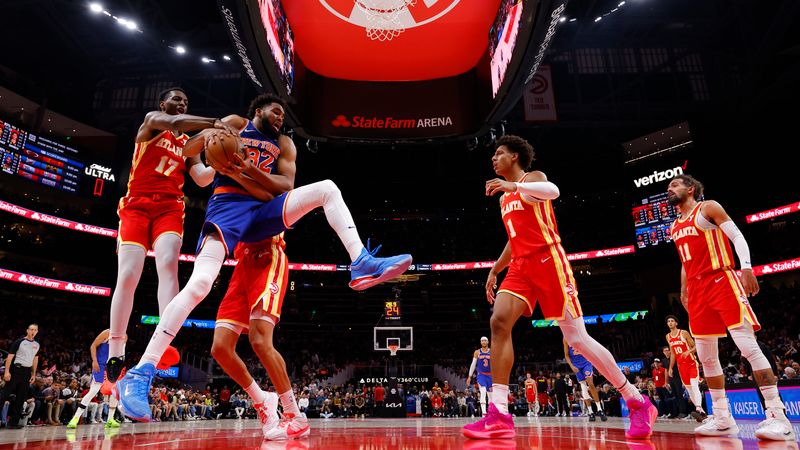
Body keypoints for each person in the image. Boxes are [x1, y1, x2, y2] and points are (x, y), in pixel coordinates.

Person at [118, 93, 412, 426]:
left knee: (327, 188)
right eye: (275, 111)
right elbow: (189, 149)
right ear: (258, 111)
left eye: (283, 114)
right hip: (227, 206)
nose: (280, 118)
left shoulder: (285, 144)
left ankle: (360, 261)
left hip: (261, 211)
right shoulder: (235, 124)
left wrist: (244, 169)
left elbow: (283, 186)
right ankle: (143, 371)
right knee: (200, 282)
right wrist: (212, 138)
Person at [462, 135, 657, 440]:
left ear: (515, 157)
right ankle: (499, 414)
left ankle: (636, 400)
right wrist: (494, 269)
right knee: (498, 321)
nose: (493, 158)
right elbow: (515, 241)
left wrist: (514, 186)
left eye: (499, 153)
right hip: (521, 268)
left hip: (548, 262)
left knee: (577, 339)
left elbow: (553, 191)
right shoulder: (503, 199)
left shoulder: (532, 179)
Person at [105, 87, 235, 381]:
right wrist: (214, 122)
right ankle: (116, 349)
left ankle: (163, 343)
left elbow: (201, 179)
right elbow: (175, 123)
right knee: (127, 275)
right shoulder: (151, 122)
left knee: (168, 267)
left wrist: (222, 161)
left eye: (186, 101)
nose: (181, 104)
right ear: (163, 103)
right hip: (136, 205)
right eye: (176, 99)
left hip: (169, 207)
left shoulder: (188, 144)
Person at [667, 174, 794, 440]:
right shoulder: (674, 226)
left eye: (675, 184)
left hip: (722, 279)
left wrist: (746, 268)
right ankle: (723, 418)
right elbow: (684, 260)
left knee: (747, 346)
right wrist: (684, 290)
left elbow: (736, 236)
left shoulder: (708, 207)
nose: (670, 188)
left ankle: (777, 416)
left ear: (690, 189)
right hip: (697, 289)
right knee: (707, 357)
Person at [210, 234, 297, 439]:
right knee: (220, 348)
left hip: (266, 255)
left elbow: (273, 203)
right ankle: (262, 400)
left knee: (260, 341)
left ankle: (293, 412)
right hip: (242, 265)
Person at [67, 330, 126, 429]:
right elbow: (93, 346)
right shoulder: (108, 332)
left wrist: (121, 368)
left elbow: (122, 354)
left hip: (114, 367)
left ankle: (110, 419)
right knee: (93, 391)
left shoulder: (125, 336)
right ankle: (75, 418)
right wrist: (94, 361)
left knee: (115, 393)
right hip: (101, 365)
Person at [664, 315, 706, 422]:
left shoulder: (683, 333)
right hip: (681, 366)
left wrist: (689, 351)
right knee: (689, 388)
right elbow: (673, 353)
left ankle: (699, 408)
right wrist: (670, 368)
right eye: (668, 321)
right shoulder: (668, 336)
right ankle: (701, 411)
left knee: (693, 383)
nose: (670, 323)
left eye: (672, 321)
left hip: (691, 363)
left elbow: (695, 346)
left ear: (676, 323)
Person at [0, 324, 39, 429]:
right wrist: (7, 371)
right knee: (4, 394)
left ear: (37, 332)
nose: (33, 331)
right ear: (27, 330)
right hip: (16, 369)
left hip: (27, 372)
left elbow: (35, 359)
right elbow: (9, 357)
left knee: (21, 397)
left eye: (35, 330)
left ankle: (14, 422)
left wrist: (34, 373)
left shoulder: (37, 344)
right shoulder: (19, 342)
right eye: (31, 329)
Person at [563, 339, 606, 422]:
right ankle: (590, 412)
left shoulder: (579, 331)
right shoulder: (565, 338)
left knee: (591, 384)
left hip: (586, 362)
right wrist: (572, 366)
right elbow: (567, 355)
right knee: (583, 387)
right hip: (576, 365)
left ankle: (600, 409)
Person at [465, 337, 492, 417]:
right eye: (482, 340)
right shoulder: (477, 352)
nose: (484, 342)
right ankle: (484, 413)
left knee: (490, 396)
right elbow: (473, 364)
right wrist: (469, 376)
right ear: (480, 342)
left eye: (485, 340)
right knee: (483, 392)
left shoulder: (492, 351)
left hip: (490, 375)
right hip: (481, 375)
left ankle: (490, 412)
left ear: (488, 342)